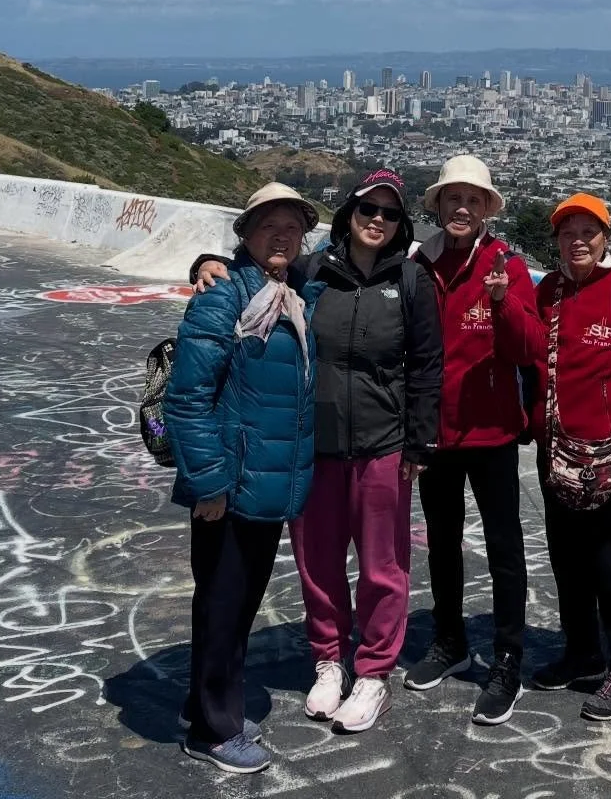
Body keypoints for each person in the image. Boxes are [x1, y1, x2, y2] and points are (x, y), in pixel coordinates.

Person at [197, 171, 443, 733]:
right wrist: (204, 264)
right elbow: (254, 268)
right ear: (348, 215)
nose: (376, 221)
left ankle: (374, 670)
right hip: (316, 446)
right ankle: (330, 661)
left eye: (388, 214)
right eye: (366, 210)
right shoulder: (312, 273)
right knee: (318, 564)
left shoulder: (411, 281)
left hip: (385, 444)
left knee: (384, 567)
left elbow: (428, 366)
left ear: (401, 224)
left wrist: (420, 442)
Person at [494, 192, 611, 722]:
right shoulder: (548, 290)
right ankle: (581, 651)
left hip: (609, 457)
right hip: (557, 455)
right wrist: (504, 302)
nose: (578, 242)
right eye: (568, 233)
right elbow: (525, 349)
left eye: (588, 232)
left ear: (606, 237)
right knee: (567, 561)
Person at [167, 183, 323, 775]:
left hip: (262, 481)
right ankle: (213, 729)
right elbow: (187, 398)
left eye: (292, 227)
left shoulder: (289, 293)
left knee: (232, 602)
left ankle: (201, 705)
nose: (282, 235)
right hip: (229, 483)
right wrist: (208, 483)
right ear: (245, 234)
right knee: (224, 603)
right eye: (268, 226)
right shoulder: (223, 298)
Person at [402, 154, 540, 728]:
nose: (462, 208)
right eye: (452, 199)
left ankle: (508, 658)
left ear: (487, 209)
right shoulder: (417, 262)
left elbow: (529, 348)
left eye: (473, 200)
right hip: (436, 431)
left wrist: (504, 299)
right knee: (442, 541)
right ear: (437, 206)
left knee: (506, 548)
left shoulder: (507, 263)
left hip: (492, 431)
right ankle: (449, 637)